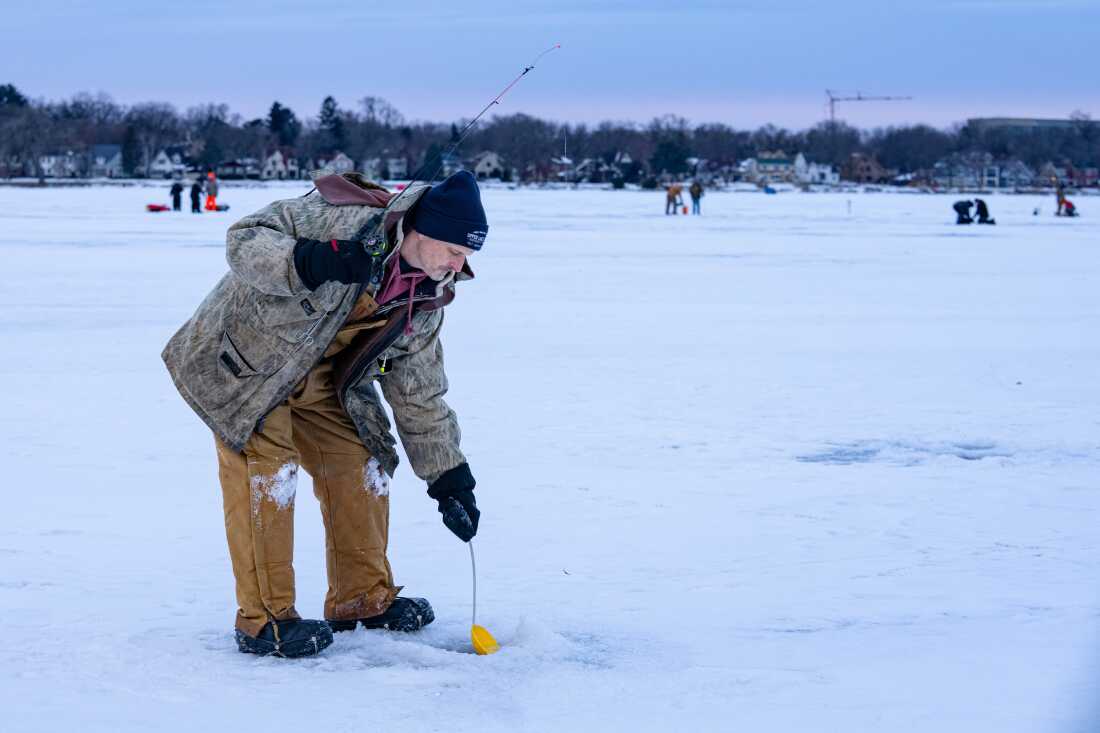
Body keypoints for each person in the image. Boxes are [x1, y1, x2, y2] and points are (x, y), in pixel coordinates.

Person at [163, 170, 487, 659]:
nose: (460, 266)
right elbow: (244, 238)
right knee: (268, 475)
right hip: (244, 367)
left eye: (466, 256)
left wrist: (449, 478)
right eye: (454, 251)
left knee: (362, 464)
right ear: (421, 231)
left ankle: (361, 598)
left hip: (318, 381)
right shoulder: (345, 222)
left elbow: (419, 392)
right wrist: (309, 260)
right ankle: (264, 619)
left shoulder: (426, 298)